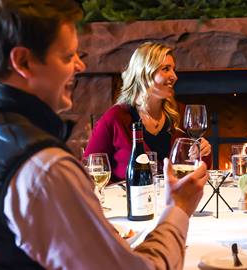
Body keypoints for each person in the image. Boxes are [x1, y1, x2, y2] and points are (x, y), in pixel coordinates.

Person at [0, 1, 209, 269]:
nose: (80, 65)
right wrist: (179, 209)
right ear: (23, 61)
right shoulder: (45, 167)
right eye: (68, 57)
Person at [84, 42, 212, 181]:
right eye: (166, 69)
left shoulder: (179, 113)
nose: (174, 76)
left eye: (173, 69)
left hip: (173, 199)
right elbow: (88, 169)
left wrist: (202, 152)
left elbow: (199, 167)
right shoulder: (116, 118)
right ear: (144, 72)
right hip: (128, 200)